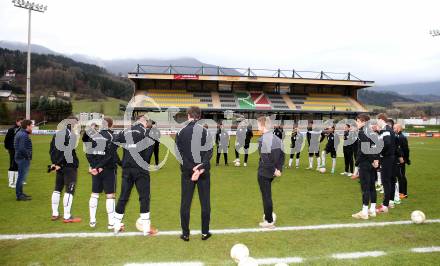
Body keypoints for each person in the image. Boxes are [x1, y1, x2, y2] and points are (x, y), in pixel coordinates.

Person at [113, 115, 157, 236]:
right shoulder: (147, 133)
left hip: (127, 169)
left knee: (123, 197)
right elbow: (148, 155)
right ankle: (146, 228)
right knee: (144, 197)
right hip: (141, 169)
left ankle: (116, 226)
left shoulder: (125, 132)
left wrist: (120, 162)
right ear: (145, 122)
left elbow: (111, 148)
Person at [176, 106, 213, 241]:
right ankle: (204, 232)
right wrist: (200, 167)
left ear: (188, 116)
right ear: (199, 116)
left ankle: (185, 234)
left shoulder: (181, 132)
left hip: (187, 173)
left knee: (185, 203)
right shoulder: (206, 132)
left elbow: (178, 154)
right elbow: (209, 152)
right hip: (203, 172)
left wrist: (191, 169)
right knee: (205, 203)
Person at [86, 117, 120, 229]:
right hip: (108, 169)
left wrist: (93, 167)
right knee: (110, 195)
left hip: (95, 170)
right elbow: (111, 155)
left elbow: (88, 153)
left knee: (94, 194)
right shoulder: (112, 136)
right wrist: (100, 167)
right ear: (111, 125)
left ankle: (92, 221)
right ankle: (111, 223)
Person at [49, 117, 81, 222]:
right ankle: (67, 216)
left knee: (57, 188)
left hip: (59, 165)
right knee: (69, 190)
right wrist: (61, 164)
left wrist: (55, 163)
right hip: (68, 166)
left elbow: (51, 150)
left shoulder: (57, 134)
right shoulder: (70, 135)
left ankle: (54, 214)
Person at [257, 116, 284, 228]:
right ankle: (268, 217)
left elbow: (265, 159)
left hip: (264, 172)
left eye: (258, 125)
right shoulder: (278, 139)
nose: (257, 127)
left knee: (266, 196)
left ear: (262, 126)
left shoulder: (262, 140)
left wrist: (274, 170)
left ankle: (269, 221)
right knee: (267, 195)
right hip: (272, 173)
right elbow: (282, 156)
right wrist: (278, 169)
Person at [352, 114, 379, 219]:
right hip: (372, 163)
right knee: (372, 187)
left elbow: (365, 149)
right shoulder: (372, 132)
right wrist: (376, 160)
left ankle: (364, 212)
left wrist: (357, 163)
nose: (357, 123)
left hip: (365, 163)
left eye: (358, 121)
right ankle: (372, 210)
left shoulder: (362, 132)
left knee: (365, 188)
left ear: (364, 122)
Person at [376, 113, 398, 213]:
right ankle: (390, 202)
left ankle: (385, 205)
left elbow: (387, 143)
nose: (377, 122)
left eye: (377, 120)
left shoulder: (386, 130)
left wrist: (380, 152)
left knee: (386, 181)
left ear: (381, 119)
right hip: (392, 158)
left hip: (387, 158)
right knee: (391, 180)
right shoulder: (389, 129)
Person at [14, 119, 33, 201]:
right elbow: (22, 148)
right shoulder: (23, 135)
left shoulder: (22, 133)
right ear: (27, 126)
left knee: (21, 177)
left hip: (21, 158)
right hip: (23, 159)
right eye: (31, 125)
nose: (32, 127)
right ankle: (19, 195)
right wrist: (27, 156)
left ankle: (21, 193)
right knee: (21, 177)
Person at [5, 118, 22, 188]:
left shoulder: (21, 130)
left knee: (18, 165)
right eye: (20, 122)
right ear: (17, 122)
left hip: (19, 149)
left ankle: (16, 182)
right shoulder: (11, 129)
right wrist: (7, 148)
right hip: (12, 149)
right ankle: (11, 183)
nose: (21, 123)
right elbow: (6, 139)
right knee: (12, 165)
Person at [394, 123, 410, 199]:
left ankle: (404, 193)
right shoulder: (398, 136)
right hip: (399, 159)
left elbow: (406, 149)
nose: (394, 130)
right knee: (399, 176)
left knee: (402, 176)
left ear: (399, 129)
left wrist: (406, 159)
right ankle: (400, 192)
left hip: (401, 160)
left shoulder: (401, 137)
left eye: (395, 128)